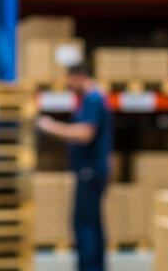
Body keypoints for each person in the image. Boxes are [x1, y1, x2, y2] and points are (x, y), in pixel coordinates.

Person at [36, 64, 113, 271]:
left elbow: (85, 133)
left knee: (84, 224)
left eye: (69, 80)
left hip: (90, 171)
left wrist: (51, 127)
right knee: (93, 222)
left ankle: (89, 267)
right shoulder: (91, 100)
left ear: (80, 76)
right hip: (92, 170)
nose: (67, 85)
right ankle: (96, 266)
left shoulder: (93, 99)